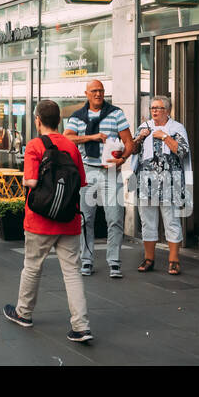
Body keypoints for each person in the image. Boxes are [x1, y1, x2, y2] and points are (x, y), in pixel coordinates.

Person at [4, 99, 91, 342]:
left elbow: (30, 182)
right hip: (69, 219)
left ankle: (23, 313)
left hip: (40, 220)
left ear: (37, 121)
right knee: (73, 272)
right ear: (60, 121)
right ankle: (81, 326)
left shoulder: (34, 145)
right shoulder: (71, 147)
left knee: (32, 267)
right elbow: (81, 182)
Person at [63, 79, 135, 278]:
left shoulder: (116, 113)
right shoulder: (77, 116)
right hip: (87, 170)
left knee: (115, 218)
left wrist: (122, 160)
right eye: (94, 91)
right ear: (86, 93)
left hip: (111, 171)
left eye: (101, 91)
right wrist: (91, 137)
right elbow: (66, 137)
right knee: (86, 219)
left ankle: (114, 262)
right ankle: (86, 261)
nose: (98, 94)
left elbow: (129, 142)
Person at [128, 94, 190, 276]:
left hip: (170, 182)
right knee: (148, 222)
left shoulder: (176, 128)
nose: (154, 111)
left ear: (167, 110)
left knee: (171, 220)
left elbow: (183, 151)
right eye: (152, 108)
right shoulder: (144, 127)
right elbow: (131, 149)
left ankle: (174, 260)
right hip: (146, 181)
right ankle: (149, 259)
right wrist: (140, 137)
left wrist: (164, 136)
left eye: (158, 108)